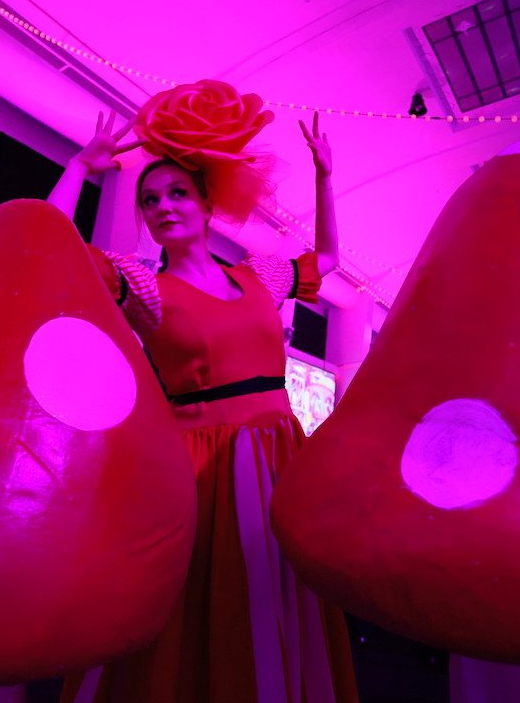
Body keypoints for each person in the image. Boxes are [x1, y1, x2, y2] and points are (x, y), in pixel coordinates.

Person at [47, 81, 358, 703]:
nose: (163, 206)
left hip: (278, 451)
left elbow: (326, 257)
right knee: (202, 599)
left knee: (273, 594)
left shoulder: (260, 275)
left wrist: (325, 178)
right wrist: (80, 166)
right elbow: (49, 243)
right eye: (150, 199)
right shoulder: (141, 283)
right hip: (199, 463)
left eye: (177, 193)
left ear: (206, 204)